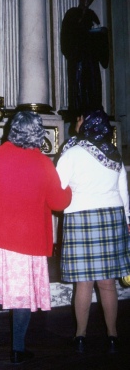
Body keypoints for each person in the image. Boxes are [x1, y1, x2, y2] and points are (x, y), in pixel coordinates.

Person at [0, 111, 72, 364]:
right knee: (22, 295)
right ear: (39, 135)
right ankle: (17, 350)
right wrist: (68, 188)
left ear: (12, 130)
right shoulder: (43, 164)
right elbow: (59, 202)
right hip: (28, 241)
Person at [56, 109, 130, 354]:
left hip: (80, 217)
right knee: (108, 285)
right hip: (112, 217)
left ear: (84, 126)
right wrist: (127, 220)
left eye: (80, 120)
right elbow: (123, 193)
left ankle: (80, 336)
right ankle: (112, 336)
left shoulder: (73, 152)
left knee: (83, 285)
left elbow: (58, 187)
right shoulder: (114, 152)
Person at [61, 0, 109, 116]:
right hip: (78, 56)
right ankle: (78, 110)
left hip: (90, 56)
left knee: (93, 83)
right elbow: (68, 34)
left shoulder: (92, 15)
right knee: (79, 83)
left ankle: (94, 110)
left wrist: (101, 33)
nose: (88, 0)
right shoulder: (72, 13)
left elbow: (96, 33)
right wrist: (81, 16)